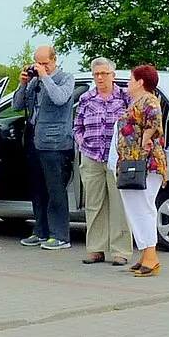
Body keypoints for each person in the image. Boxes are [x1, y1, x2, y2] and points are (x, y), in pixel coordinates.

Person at [11, 44, 76, 249]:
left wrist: (45, 77)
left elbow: (59, 98)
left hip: (56, 143)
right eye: (37, 63)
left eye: (45, 63)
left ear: (54, 61)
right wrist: (23, 84)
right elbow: (17, 106)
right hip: (35, 140)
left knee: (55, 189)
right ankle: (40, 231)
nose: (41, 67)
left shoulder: (66, 78)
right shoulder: (35, 82)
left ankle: (60, 236)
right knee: (37, 189)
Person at [73, 57, 133, 266]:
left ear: (113, 75)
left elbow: (134, 125)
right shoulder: (86, 98)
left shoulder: (125, 98)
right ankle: (95, 249)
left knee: (119, 206)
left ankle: (120, 251)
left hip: (117, 159)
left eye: (104, 74)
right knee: (94, 205)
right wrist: (83, 144)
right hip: (91, 157)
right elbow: (77, 126)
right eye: (96, 74)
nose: (100, 77)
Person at [115, 64, 169, 277]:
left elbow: (154, 123)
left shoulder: (150, 100)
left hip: (146, 164)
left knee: (144, 207)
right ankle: (146, 252)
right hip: (133, 163)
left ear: (140, 82)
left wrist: (142, 144)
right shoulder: (137, 101)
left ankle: (152, 256)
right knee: (135, 208)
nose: (128, 82)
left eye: (130, 78)